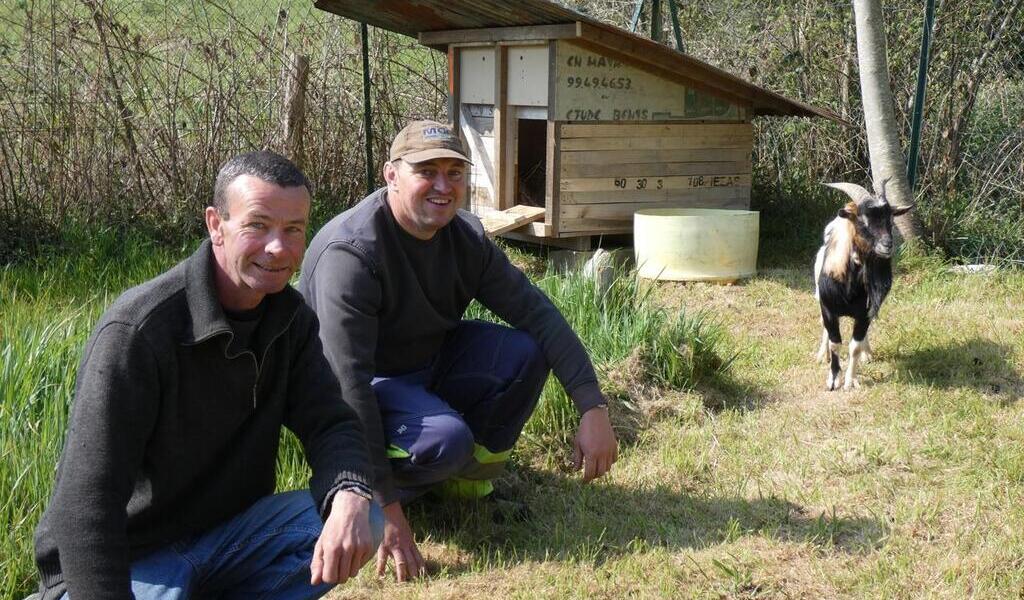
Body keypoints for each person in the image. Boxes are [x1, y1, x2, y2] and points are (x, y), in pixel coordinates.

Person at [30, 151, 381, 600]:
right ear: (216, 224)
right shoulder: (140, 332)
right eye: (257, 225)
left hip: (228, 537)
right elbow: (85, 505)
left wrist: (350, 493)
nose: (278, 247)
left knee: (365, 517)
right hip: (135, 552)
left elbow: (330, 421)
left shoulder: (290, 321)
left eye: (293, 229)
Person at [299, 120, 618, 582]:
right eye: (427, 172)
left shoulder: (465, 237)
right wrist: (384, 510)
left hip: (427, 362)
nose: (443, 186)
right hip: (365, 387)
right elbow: (347, 389)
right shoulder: (352, 255)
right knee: (445, 441)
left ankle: (465, 487)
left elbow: (538, 314)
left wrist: (593, 406)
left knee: (525, 353)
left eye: (454, 172)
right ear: (391, 175)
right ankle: (389, 493)